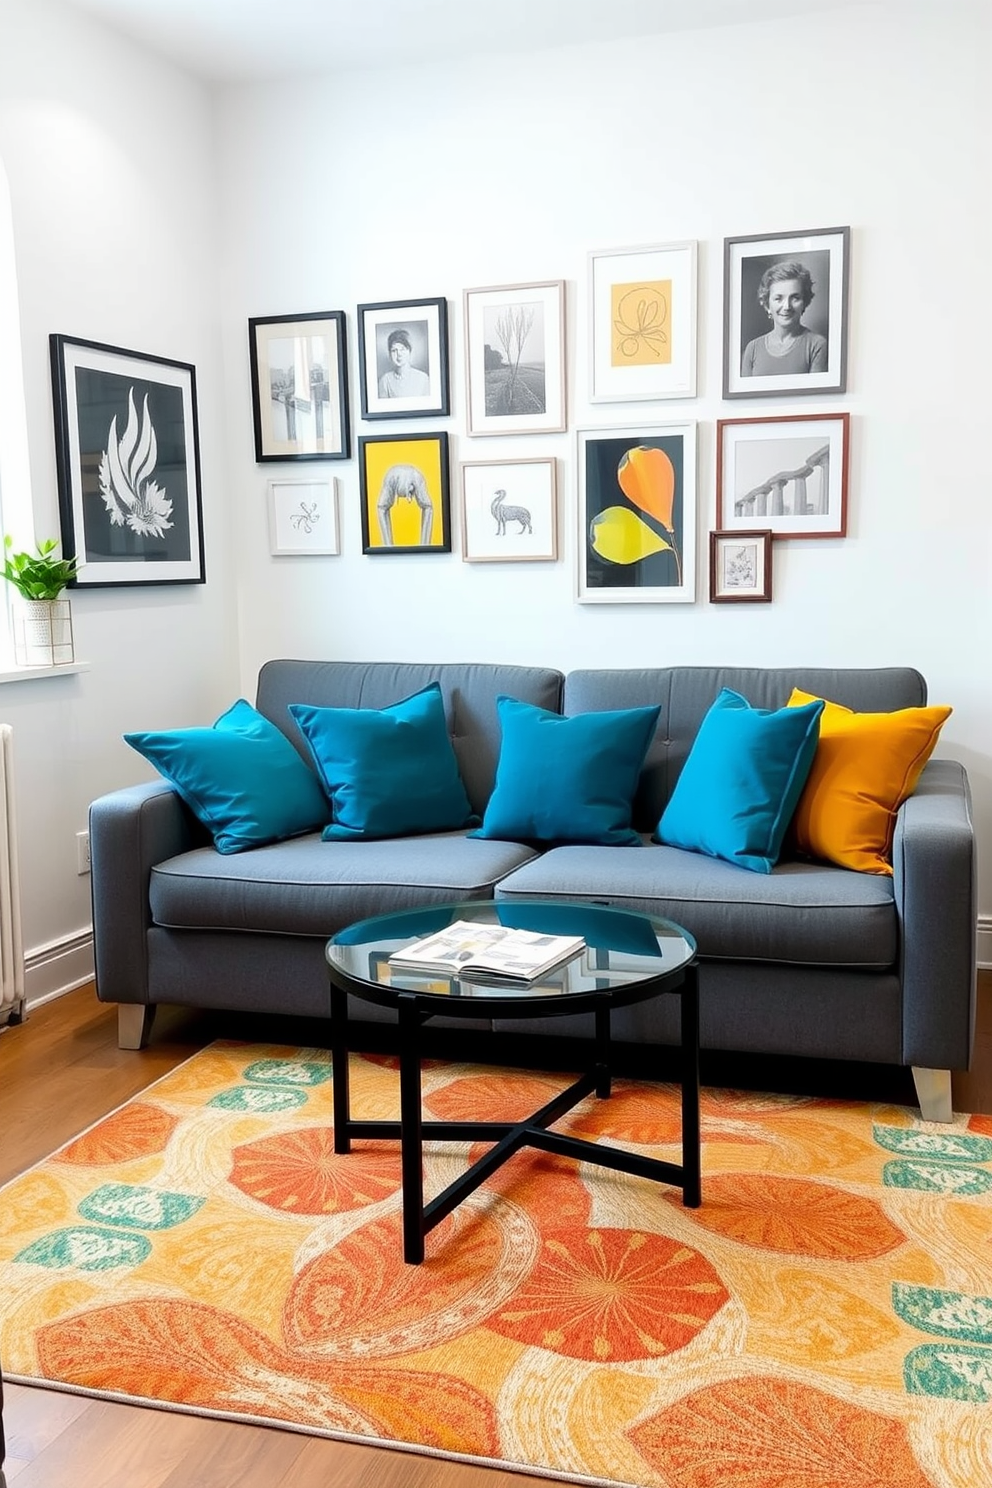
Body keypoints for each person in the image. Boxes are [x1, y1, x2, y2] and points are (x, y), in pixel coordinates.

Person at [741, 260, 827, 377]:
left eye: (795, 298)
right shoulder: (753, 349)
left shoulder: (816, 345)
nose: (787, 306)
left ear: (804, 301)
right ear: (767, 304)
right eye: (778, 298)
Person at [377, 327, 431, 398]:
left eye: (403, 349)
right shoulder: (384, 381)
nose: (399, 354)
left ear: (409, 352)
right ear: (389, 354)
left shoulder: (423, 378)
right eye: (394, 350)